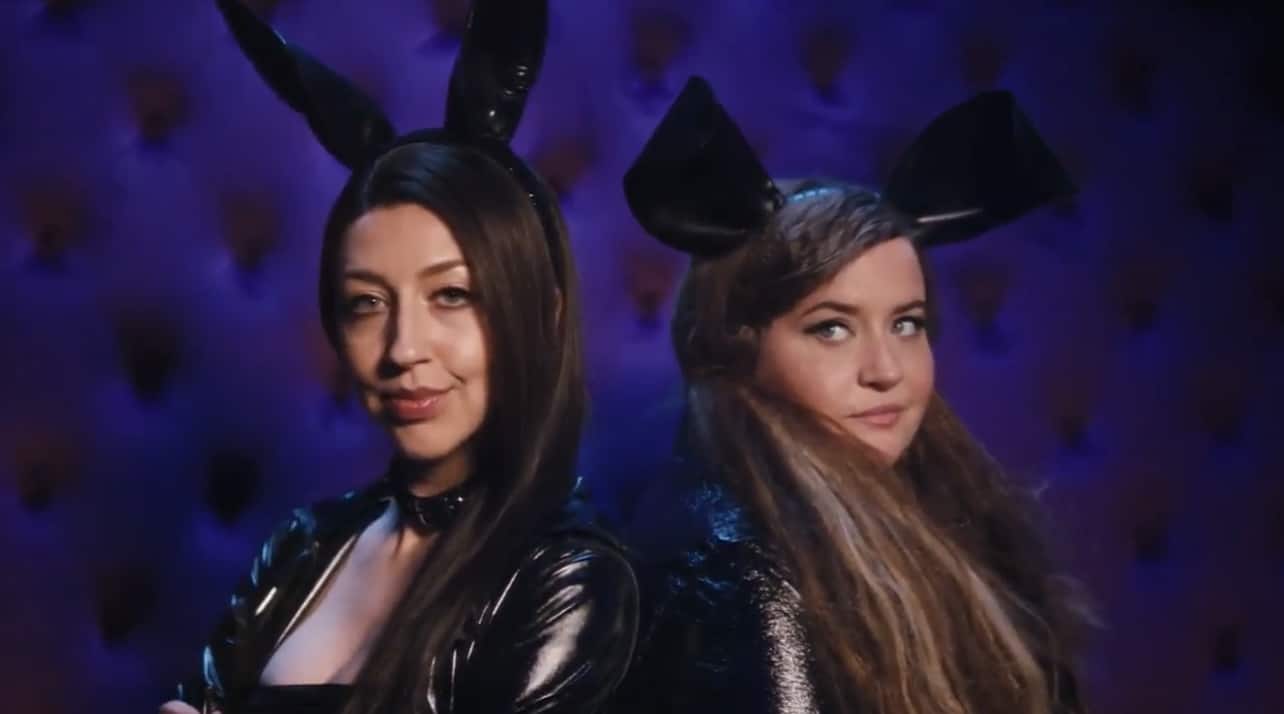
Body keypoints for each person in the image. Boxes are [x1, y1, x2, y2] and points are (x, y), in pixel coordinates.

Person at [158, 2, 639, 713]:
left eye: (452, 295)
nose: (403, 349)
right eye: (367, 303)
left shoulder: (570, 579)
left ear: (544, 314)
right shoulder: (302, 547)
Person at [615, 77, 1093, 714]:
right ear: (738, 347)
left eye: (907, 324)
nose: (885, 369)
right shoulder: (739, 559)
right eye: (832, 329)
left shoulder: (953, 509)